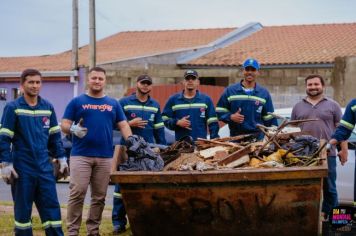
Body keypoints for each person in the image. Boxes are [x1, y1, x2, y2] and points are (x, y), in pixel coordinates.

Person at [61, 66, 132, 236]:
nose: (97, 81)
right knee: (77, 193)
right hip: (80, 155)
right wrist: (72, 129)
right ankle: (72, 231)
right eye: (94, 78)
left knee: (99, 197)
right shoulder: (77, 102)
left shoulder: (113, 103)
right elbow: (63, 124)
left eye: (100, 78)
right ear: (88, 80)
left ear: (105, 81)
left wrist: (132, 141)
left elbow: (123, 124)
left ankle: (93, 231)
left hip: (105, 157)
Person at [0, 68, 68, 235]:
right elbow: (4, 138)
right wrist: (6, 163)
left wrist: (61, 158)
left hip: (45, 168)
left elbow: (55, 137)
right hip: (23, 168)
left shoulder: (48, 107)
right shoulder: (13, 108)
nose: (35, 85)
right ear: (22, 85)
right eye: (31, 82)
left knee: (52, 210)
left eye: (38, 82)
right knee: (23, 213)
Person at [111, 74, 166, 233]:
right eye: (143, 83)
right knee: (120, 189)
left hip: (148, 153)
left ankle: (145, 221)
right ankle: (118, 222)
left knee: (146, 187)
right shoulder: (124, 103)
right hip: (127, 151)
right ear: (137, 84)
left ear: (151, 86)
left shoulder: (155, 105)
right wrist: (130, 123)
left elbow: (159, 129)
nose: (145, 86)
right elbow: (114, 125)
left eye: (148, 83)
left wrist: (161, 148)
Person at [291, 74, 347, 220]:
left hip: (328, 153)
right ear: (306, 87)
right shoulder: (298, 106)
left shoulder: (333, 105)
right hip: (303, 155)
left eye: (316, 84)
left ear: (323, 86)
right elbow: (291, 131)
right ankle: (307, 219)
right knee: (305, 187)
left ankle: (335, 222)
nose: (313, 87)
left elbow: (342, 130)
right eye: (310, 85)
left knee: (330, 189)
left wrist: (344, 150)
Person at [216, 58, 277, 139]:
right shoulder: (230, 91)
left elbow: (269, 118)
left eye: (253, 70)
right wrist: (230, 117)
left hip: (258, 139)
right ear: (243, 71)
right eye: (247, 69)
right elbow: (219, 111)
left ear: (258, 72)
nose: (250, 72)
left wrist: (274, 134)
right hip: (236, 138)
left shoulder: (263, 93)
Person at [162, 69, 219, 141]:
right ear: (183, 82)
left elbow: (213, 122)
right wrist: (177, 122)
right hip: (181, 146)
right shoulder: (173, 100)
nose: (190, 81)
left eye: (193, 78)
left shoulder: (206, 100)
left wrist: (214, 140)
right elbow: (164, 118)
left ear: (198, 82)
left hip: (200, 145)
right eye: (187, 79)